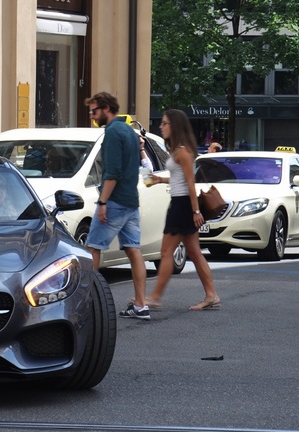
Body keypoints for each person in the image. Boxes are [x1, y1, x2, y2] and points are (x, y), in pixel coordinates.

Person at [146, 109, 221, 311]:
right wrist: (160, 180)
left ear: (175, 126)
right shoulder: (178, 150)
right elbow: (180, 179)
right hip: (181, 203)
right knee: (195, 252)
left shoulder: (182, 151)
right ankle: (211, 295)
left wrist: (196, 212)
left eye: (164, 123)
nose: (161, 127)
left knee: (166, 252)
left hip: (182, 205)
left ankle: (154, 297)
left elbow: (190, 182)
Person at [84, 92, 149, 320]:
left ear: (106, 108)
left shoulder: (112, 132)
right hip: (131, 201)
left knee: (93, 248)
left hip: (115, 201)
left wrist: (103, 202)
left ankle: (88, 302)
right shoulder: (130, 132)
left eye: (94, 111)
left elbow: (112, 172)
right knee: (134, 250)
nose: (92, 116)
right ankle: (141, 304)